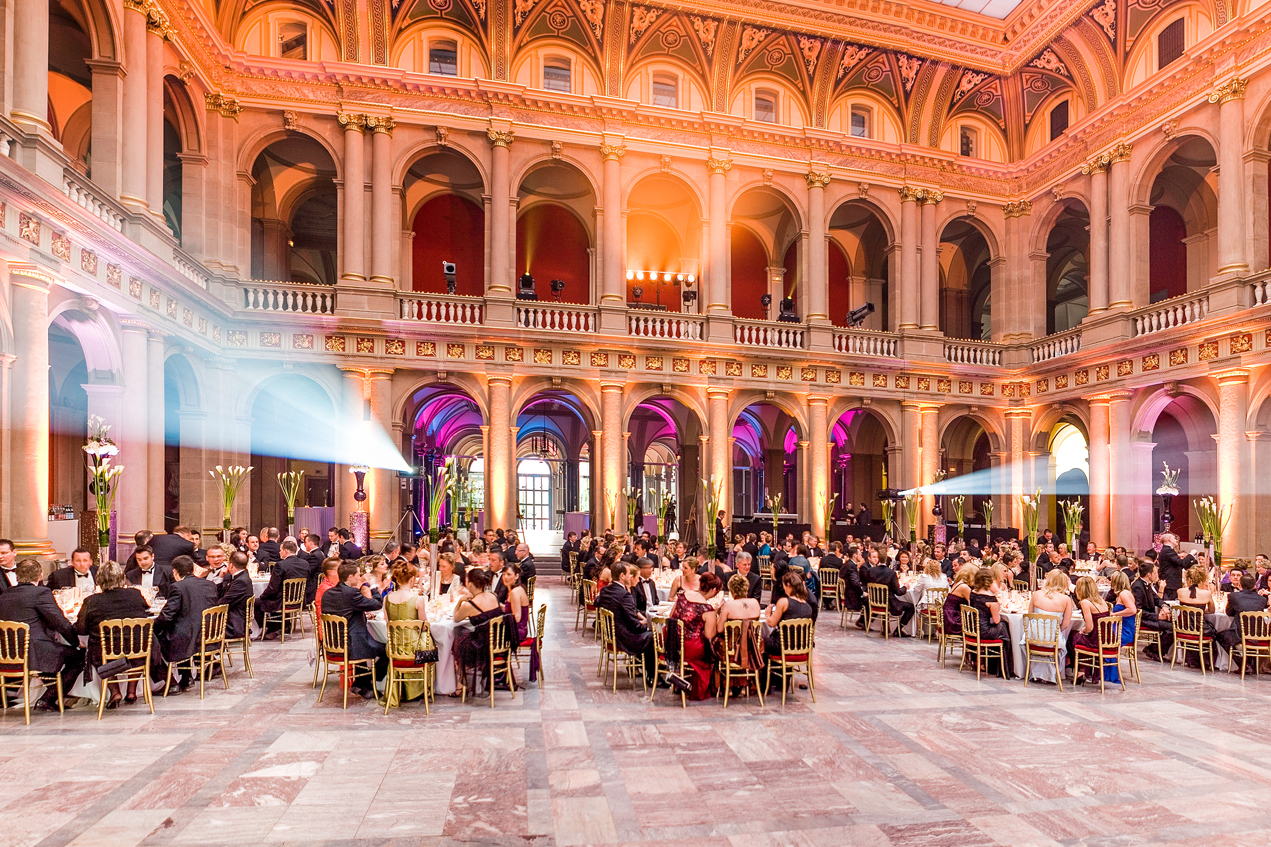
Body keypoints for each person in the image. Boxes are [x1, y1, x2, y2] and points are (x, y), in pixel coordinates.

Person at [0, 558, 85, 710]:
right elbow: (59, 622)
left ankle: (53, 694)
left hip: (7, 652)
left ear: (18, 577)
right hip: (33, 652)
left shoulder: (5, 594)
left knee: (54, 653)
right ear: (40, 576)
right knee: (78, 657)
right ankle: (48, 698)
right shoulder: (41, 592)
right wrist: (76, 642)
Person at [77, 560, 153, 709]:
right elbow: (145, 613)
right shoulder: (135, 594)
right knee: (135, 644)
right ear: (121, 578)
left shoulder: (91, 601)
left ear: (99, 580)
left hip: (107, 652)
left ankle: (115, 691)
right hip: (136, 649)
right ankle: (131, 691)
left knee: (98, 647)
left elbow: (81, 629)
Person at [154, 555, 221, 693]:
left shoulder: (177, 587)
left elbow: (167, 616)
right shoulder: (209, 584)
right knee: (180, 628)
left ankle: (170, 682)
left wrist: (152, 628)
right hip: (209, 634)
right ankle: (186, 676)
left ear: (175, 572)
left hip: (189, 637)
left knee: (151, 639)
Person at [321, 561, 387, 699]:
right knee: (389, 650)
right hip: (350, 645)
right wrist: (373, 586)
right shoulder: (351, 593)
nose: (359, 577)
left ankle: (360, 684)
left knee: (363, 641)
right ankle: (366, 683)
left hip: (332, 644)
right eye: (358, 575)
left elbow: (344, 610)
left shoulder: (328, 593)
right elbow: (377, 604)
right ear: (350, 576)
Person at [453, 569, 515, 695]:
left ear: (469, 584)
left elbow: (455, 618)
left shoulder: (469, 605)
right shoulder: (493, 596)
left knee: (457, 635)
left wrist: (460, 601)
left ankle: (459, 684)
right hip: (498, 641)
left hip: (481, 647)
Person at [594, 561, 656, 685]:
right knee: (652, 636)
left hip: (611, 634)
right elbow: (635, 626)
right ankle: (653, 677)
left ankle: (639, 666)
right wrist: (648, 625)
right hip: (624, 637)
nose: (631, 577)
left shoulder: (606, 590)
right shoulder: (624, 596)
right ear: (622, 576)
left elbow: (596, 602)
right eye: (629, 574)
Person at [382, 560, 430, 706]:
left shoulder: (386, 598)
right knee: (430, 642)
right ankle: (423, 688)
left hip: (394, 648)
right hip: (414, 649)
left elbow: (387, 622)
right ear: (412, 579)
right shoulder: (418, 599)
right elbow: (424, 626)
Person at [669, 570, 720, 700]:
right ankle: (700, 688)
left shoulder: (683, 595)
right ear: (713, 590)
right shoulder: (707, 609)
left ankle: (680, 681)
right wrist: (716, 617)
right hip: (690, 647)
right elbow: (709, 635)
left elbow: (671, 616)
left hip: (672, 641)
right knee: (713, 653)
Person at [255, 539, 312, 638]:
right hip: (299, 600)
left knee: (256, 603)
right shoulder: (305, 563)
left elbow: (273, 587)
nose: (279, 552)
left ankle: (270, 628)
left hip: (282, 601)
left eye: (280, 550)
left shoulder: (281, 565)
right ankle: (281, 626)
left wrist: (263, 596)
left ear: (286, 551)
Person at [1028, 568, 1076, 682]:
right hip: (1053, 640)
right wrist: (1054, 629)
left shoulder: (1037, 594)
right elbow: (1065, 624)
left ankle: (1033, 672)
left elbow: (1030, 615)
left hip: (1034, 637)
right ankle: (1053, 674)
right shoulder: (1065, 599)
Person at [968, 568, 1014, 678]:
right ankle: (1005, 667)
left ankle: (992, 664)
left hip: (973, 628)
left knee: (1003, 626)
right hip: (984, 631)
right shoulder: (990, 598)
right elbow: (997, 620)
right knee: (1005, 627)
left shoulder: (973, 593)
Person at [1070, 576, 1114, 684]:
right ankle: (1083, 670)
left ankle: (1080, 670)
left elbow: (1090, 628)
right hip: (1108, 638)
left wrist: (1083, 630)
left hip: (1096, 640)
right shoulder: (1101, 600)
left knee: (1072, 637)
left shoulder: (1085, 602)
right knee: (1077, 637)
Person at [863, 545, 911, 635]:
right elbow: (898, 592)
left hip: (873, 601)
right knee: (911, 607)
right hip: (889, 604)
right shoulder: (891, 573)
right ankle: (898, 630)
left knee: (885, 598)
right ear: (887, 560)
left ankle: (886, 627)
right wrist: (905, 587)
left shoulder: (870, 571)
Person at [1217, 573, 1269, 656]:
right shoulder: (1262, 599)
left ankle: (1240, 661)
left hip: (1239, 634)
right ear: (1254, 585)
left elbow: (1229, 613)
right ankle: (1251, 661)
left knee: (1219, 636)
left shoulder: (1233, 596)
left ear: (1240, 584)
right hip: (1258, 633)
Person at [217, 552, 254, 641]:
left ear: (231, 565)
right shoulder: (239, 577)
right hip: (235, 619)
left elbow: (224, 603)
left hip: (234, 624)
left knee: (200, 628)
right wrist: (221, 577)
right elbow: (222, 593)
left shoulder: (240, 581)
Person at [943, 564, 978, 644]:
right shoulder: (964, 587)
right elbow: (973, 603)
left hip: (949, 616)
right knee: (978, 624)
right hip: (953, 620)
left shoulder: (958, 583)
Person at [1157, 533, 1196, 601]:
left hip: (1171, 584)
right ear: (1169, 540)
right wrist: (1191, 554)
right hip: (1171, 585)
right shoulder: (1168, 550)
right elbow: (1182, 563)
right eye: (1174, 538)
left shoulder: (1167, 550)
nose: (1176, 540)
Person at [1105, 570, 1138, 650]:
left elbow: (1132, 610)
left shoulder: (1124, 594)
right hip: (1119, 627)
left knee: (1103, 635)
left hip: (1124, 630)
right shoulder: (1120, 594)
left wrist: (1115, 614)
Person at [500, 564, 531, 644]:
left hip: (517, 632)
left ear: (516, 576)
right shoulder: (516, 589)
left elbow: (516, 617)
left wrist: (500, 620)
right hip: (518, 629)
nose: (505, 577)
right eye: (503, 574)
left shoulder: (515, 592)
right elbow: (510, 608)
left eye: (508, 574)